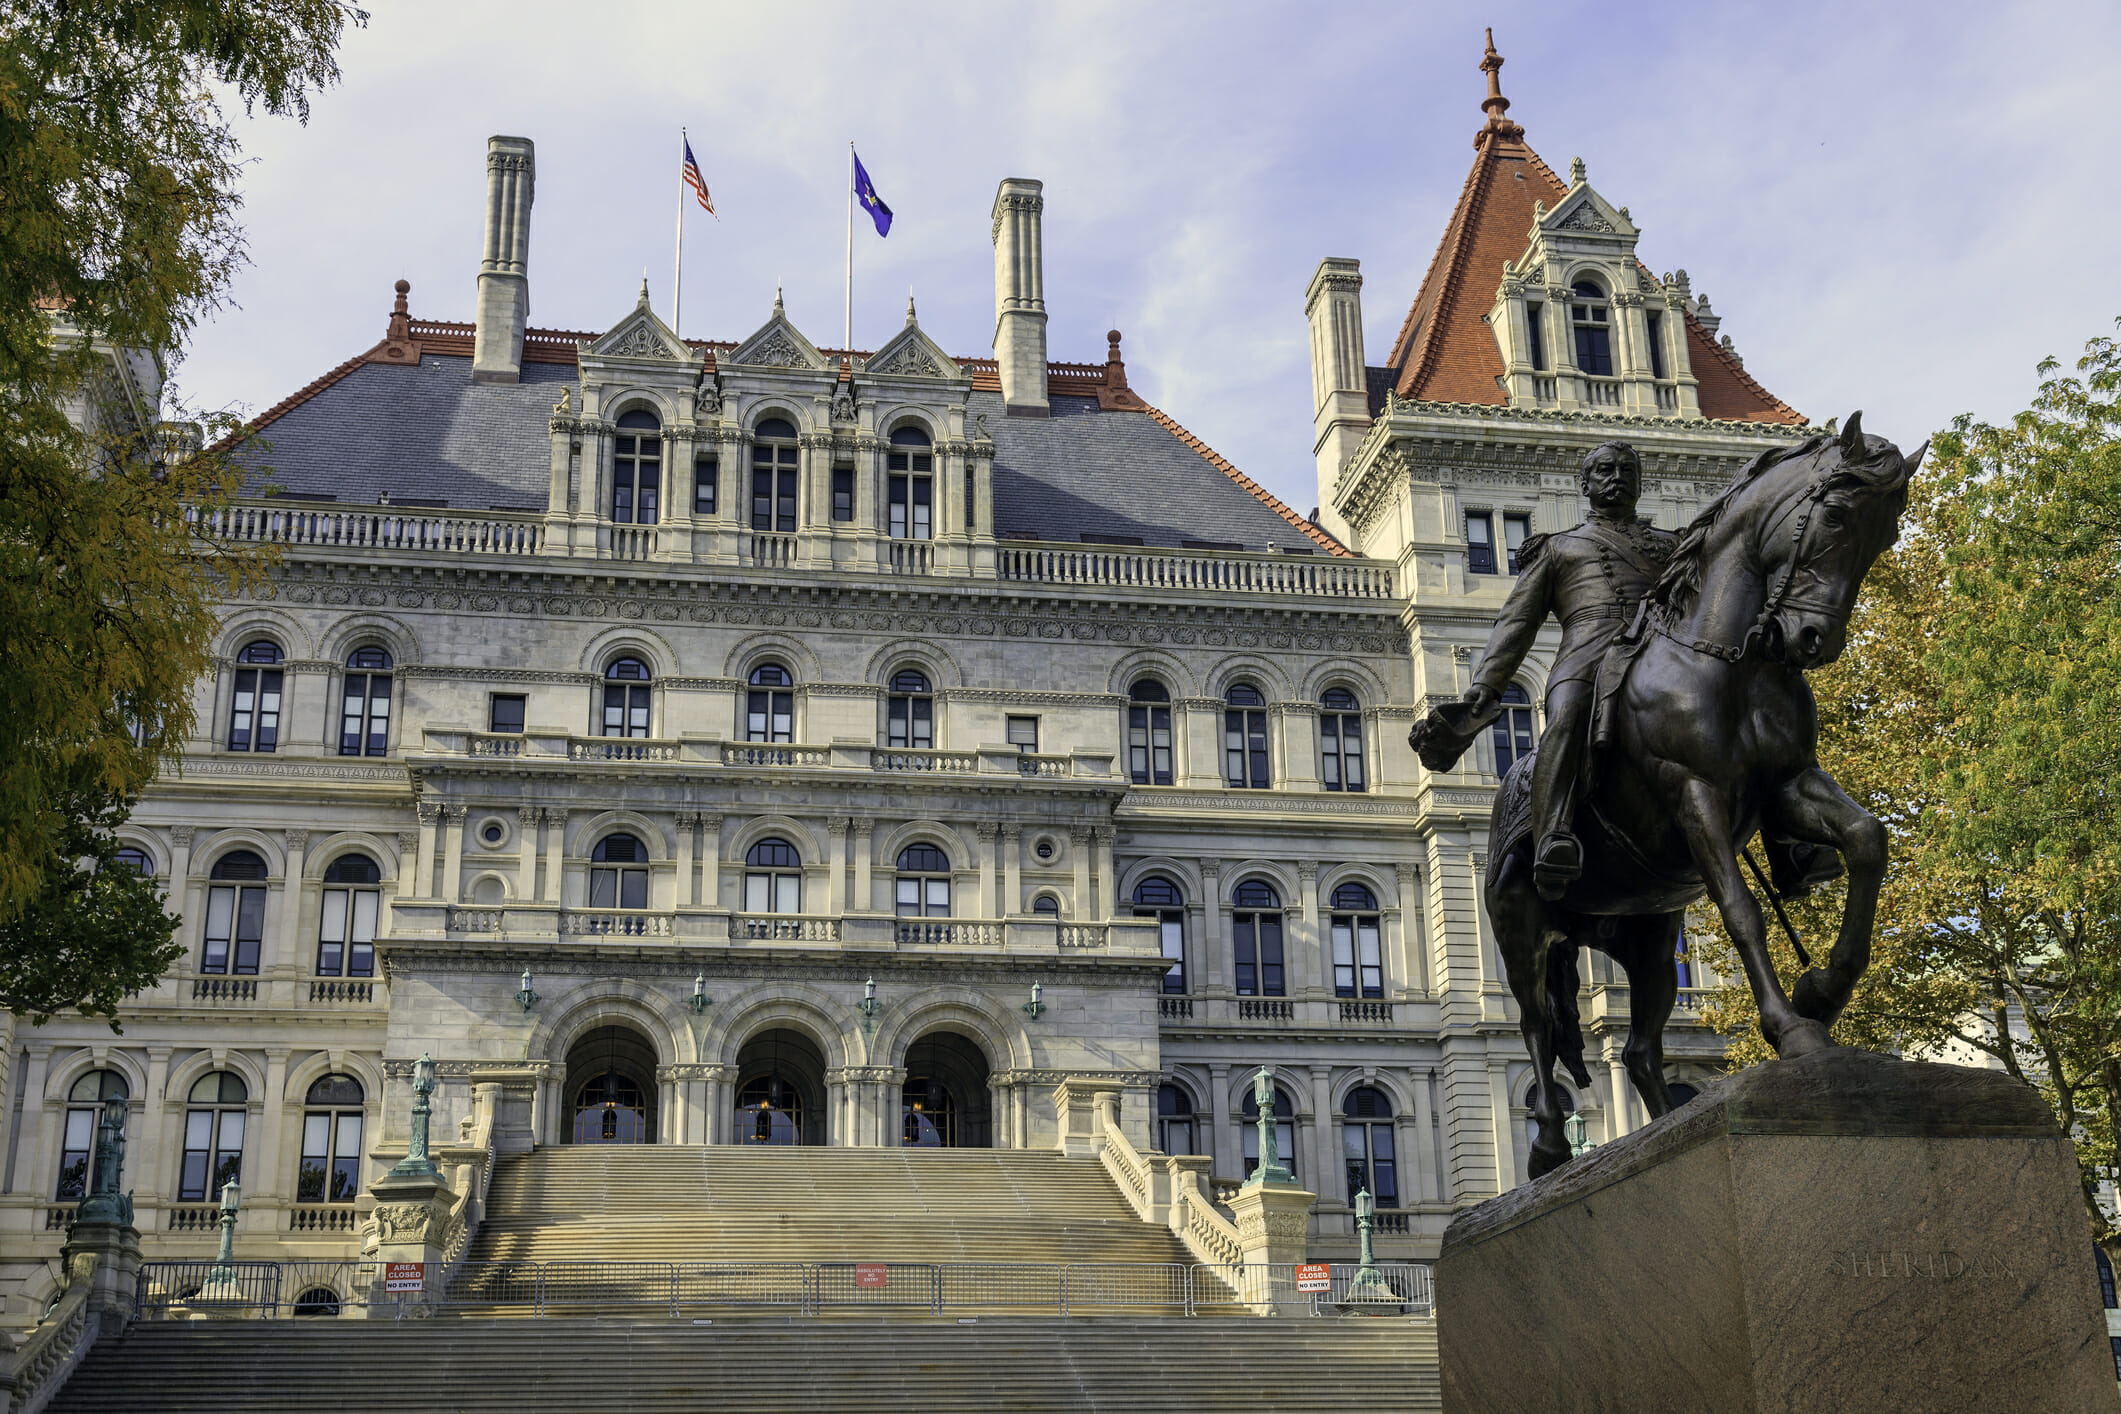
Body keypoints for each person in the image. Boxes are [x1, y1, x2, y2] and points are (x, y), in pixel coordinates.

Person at [1419, 441, 1674, 900]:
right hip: (1589, 652)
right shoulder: (1560, 548)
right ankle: (1554, 831)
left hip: (1662, 653)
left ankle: (1786, 839)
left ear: (1640, 482)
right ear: (1586, 484)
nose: (1615, 477)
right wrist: (1486, 685)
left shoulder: (1671, 547)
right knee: (1569, 714)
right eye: (1604, 470)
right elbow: (1516, 623)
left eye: (1625, 470)